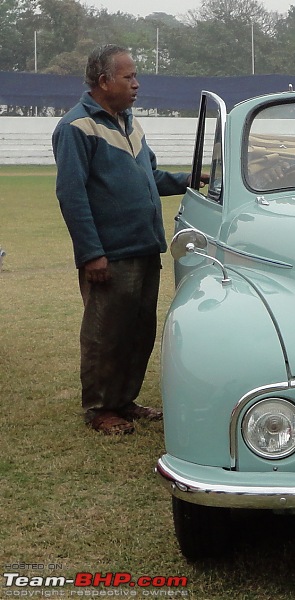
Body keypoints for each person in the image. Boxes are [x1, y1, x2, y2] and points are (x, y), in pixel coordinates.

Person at [52, 44, 205, 435]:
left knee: (138, 332)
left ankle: (125, 400)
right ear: (104, 81)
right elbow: (72, 195)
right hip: (109, 256)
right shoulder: (75, 128)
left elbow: (150, 179)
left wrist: (190, 180)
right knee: (106, 334)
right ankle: (101, 409)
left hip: (143, 247)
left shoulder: (130, 123)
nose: (136, 84)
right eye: (128, 76)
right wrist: (91, 254)